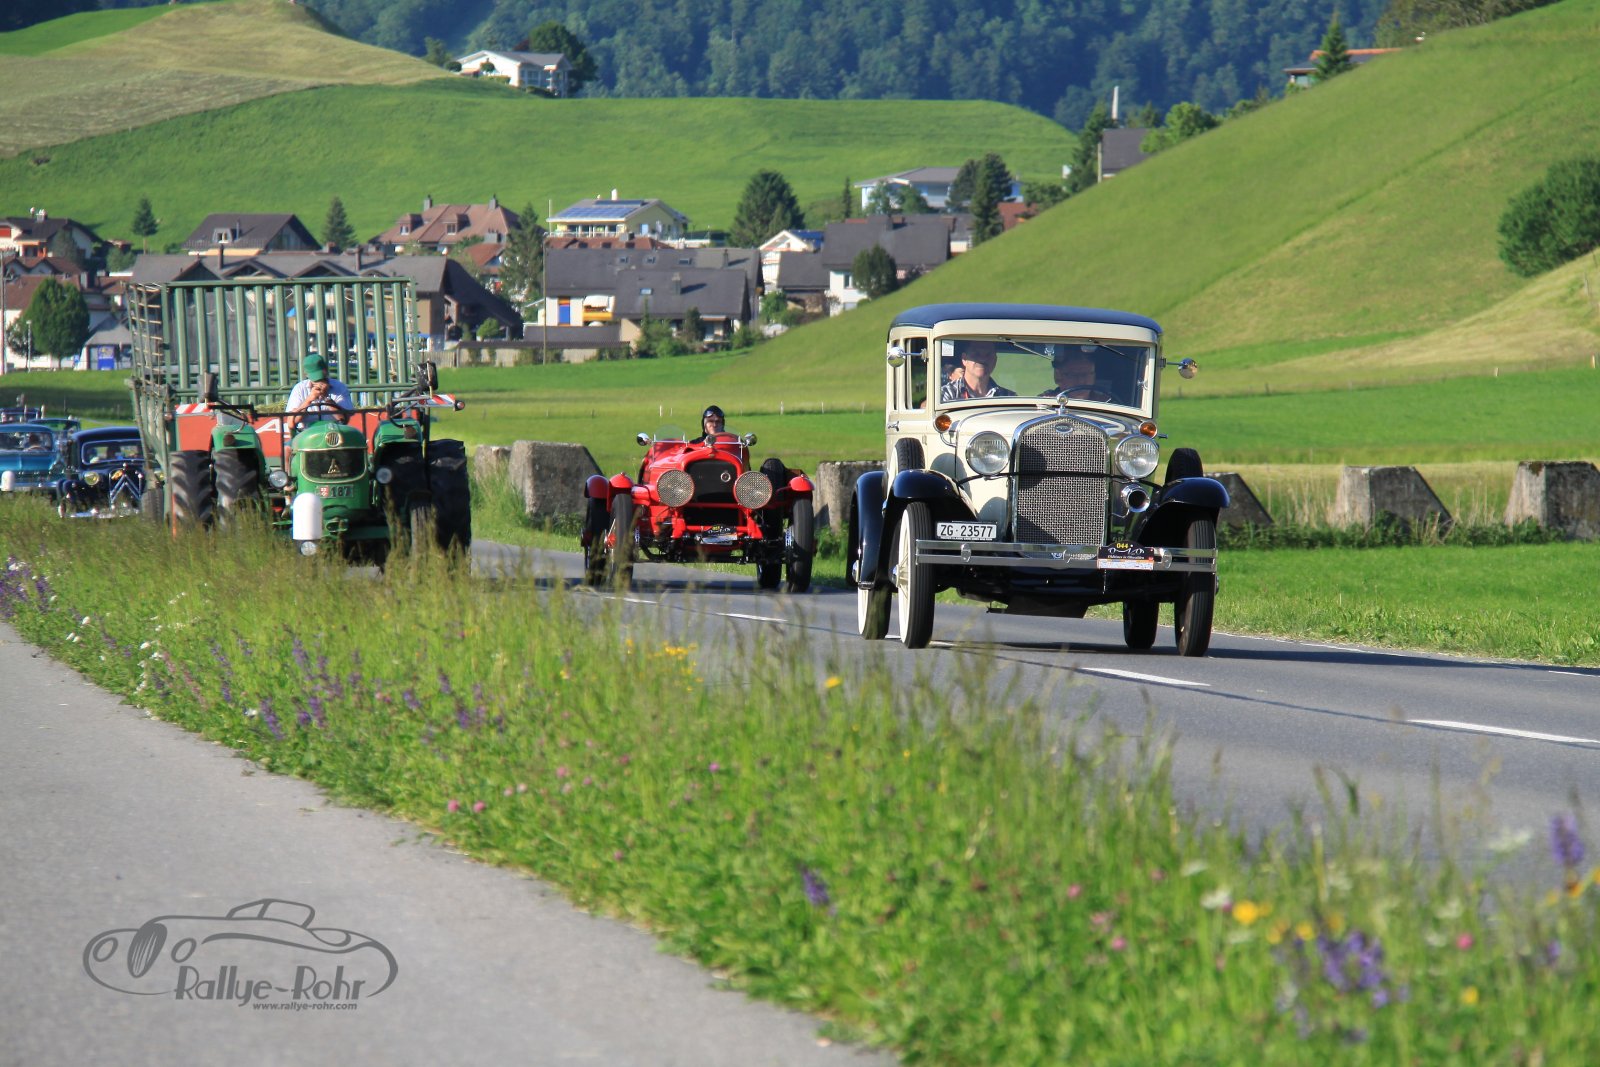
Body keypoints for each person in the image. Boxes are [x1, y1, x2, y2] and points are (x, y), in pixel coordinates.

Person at [939, 340, 1015, 401]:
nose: (982, 359)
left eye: (988, 354)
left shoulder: (1009, 397)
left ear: (995, 360)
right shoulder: (946, 394)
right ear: (964, 359)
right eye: (976, 354)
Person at [286, 354, 353, 421]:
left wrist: (326, 398)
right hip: (307, 427)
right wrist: (308, 400)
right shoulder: (299, 388)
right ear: (306, 374)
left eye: (322, 377)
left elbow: (344, 419)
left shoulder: (339, 386)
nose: (320, 382)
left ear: (326, 371)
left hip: (332, 427)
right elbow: (292, 422)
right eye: (316, 379)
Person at [1042, 347, 1114, 402]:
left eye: (1086, 375)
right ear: (1058, 376)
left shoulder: (1107, 403)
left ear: (1094, 376)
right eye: (1073, 375)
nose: (1081, 381)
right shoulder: (1046, 403)